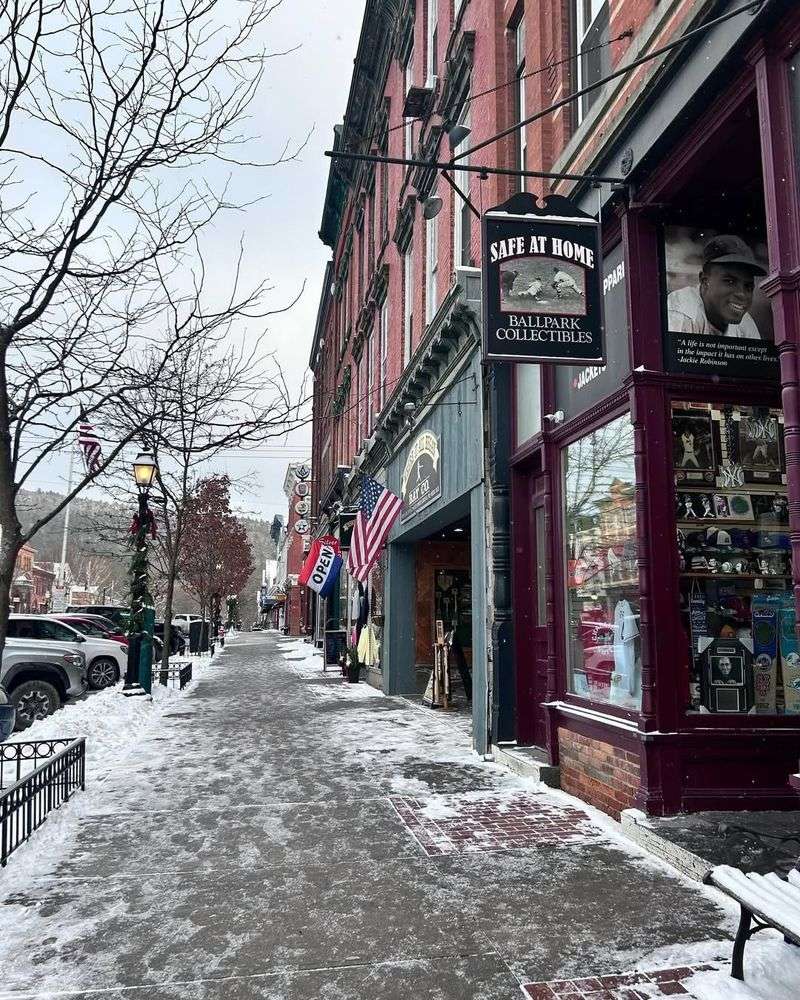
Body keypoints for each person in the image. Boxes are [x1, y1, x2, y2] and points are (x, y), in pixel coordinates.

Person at [667, 235, 767, 339]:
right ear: (704, 281)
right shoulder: (682, 312)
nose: (742, 294)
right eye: (730, 281)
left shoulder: (745, 324)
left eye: (748, 287)